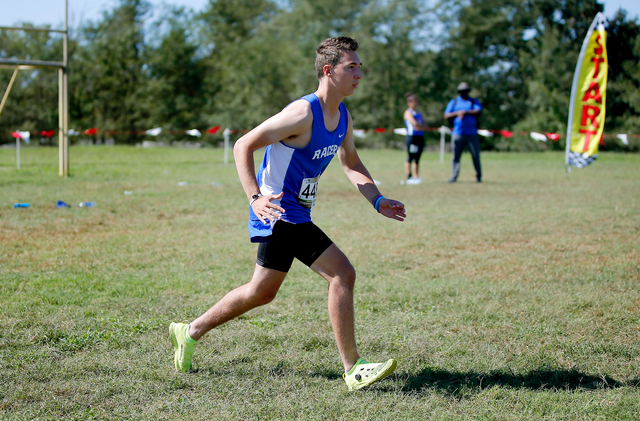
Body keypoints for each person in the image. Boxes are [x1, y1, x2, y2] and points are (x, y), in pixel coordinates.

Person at [169, 36, 407, 391]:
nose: (359, 73)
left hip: (296, 213)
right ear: (329, 71)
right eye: (351, 67)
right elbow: (242, 145)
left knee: (261, 292)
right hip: (278, 211)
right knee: (342, 274)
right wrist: (255, 197)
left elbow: (351, 161)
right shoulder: (301, 113)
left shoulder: (342, 114)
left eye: (360, 66)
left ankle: (189, 332)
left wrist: (376, 199)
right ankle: (353, 368)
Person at [444, 82, 483, 183]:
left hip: (472, 133)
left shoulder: (473, 101)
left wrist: (465, 112)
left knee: (475, 155)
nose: (464, 93)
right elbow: (446, 115)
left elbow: (479, 111)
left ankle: (479, 176)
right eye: (462, 91)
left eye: (465, 91)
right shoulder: (454, 102)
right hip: (457, 133)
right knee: (455, 156)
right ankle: (454, 176)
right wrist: (458, 113)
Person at [403, 92, 428, 184]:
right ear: (409, 103)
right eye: (414, 102)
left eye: (416, 102)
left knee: (417, 157)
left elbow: (425, 124)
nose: (415, 104)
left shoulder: (419, 113)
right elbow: (415, 124)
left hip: (419, 137)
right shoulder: (408, 112)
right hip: (412, 137)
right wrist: (419, 125)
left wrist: (420, 125)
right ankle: (409, 176)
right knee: (411, 156)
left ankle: (416, 176)